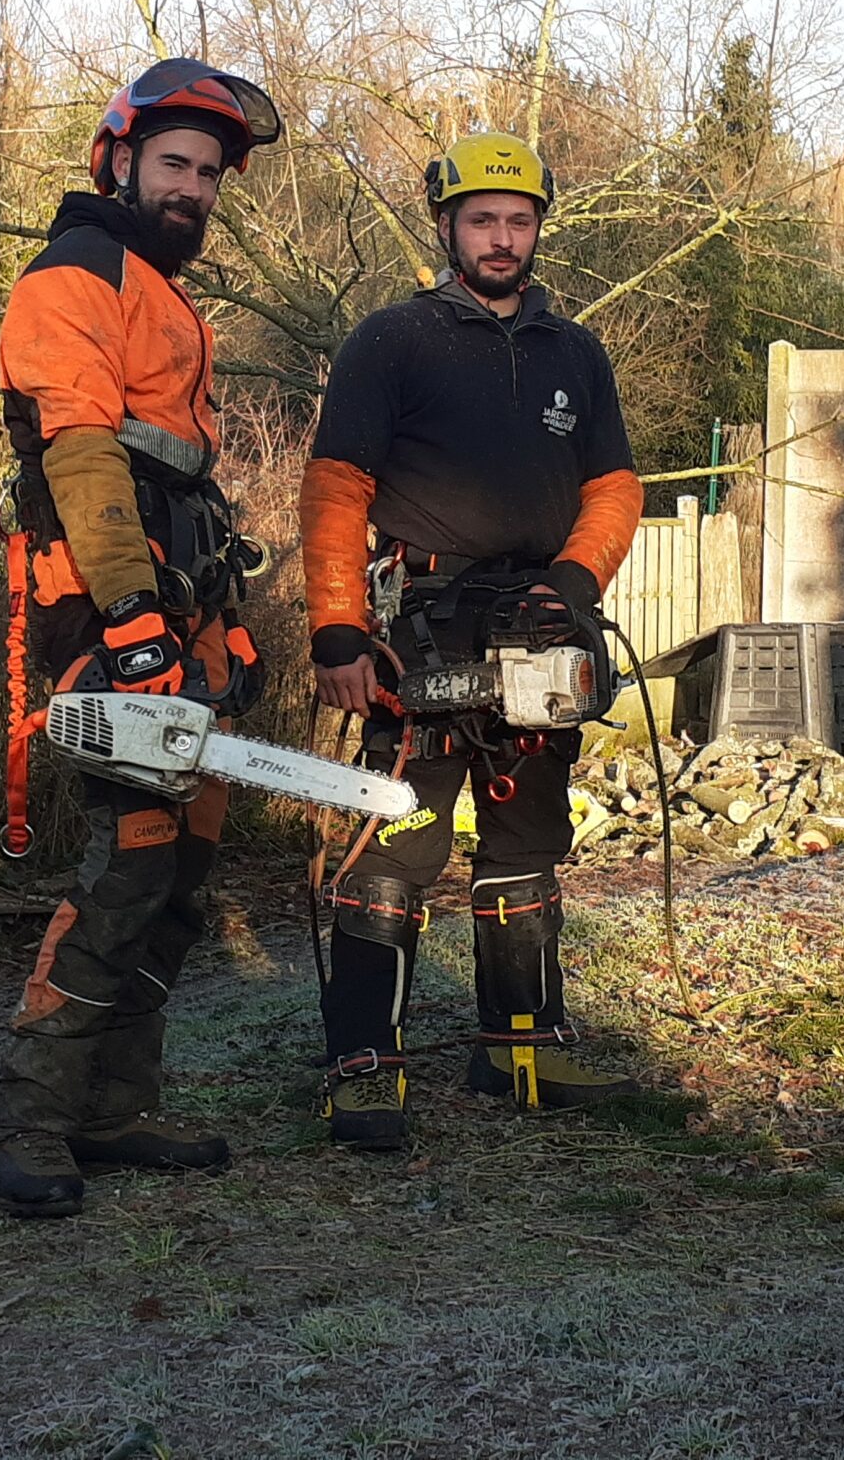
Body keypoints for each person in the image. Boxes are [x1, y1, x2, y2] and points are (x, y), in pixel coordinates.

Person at [0, 58, 281, 1217]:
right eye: (175, 164)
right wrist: (133, 626)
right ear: (117, 158)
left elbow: (182, 492)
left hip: (179, 613)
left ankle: (116, 1104)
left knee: (181, 877)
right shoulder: (75, 278)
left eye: (208, 173)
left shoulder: (162, 290)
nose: (194, 187)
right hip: (108, 615)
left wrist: (220, 629)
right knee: (126, 870)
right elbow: (85, 459)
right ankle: (28, 1120)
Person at [298, 130, 644, 1149]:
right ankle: (363, 1063)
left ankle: (523, 1048)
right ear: (447, 226)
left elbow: (613, 485)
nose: (502, 237)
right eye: (483, 220)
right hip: (425, 623)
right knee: (398, 837)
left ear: (539, 229)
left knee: (528, 835)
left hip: (540, 619)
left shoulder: (574, 352)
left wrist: (573, 584)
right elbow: (337, 487)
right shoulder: (391, 341)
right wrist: (335, 631)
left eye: (519, 220)